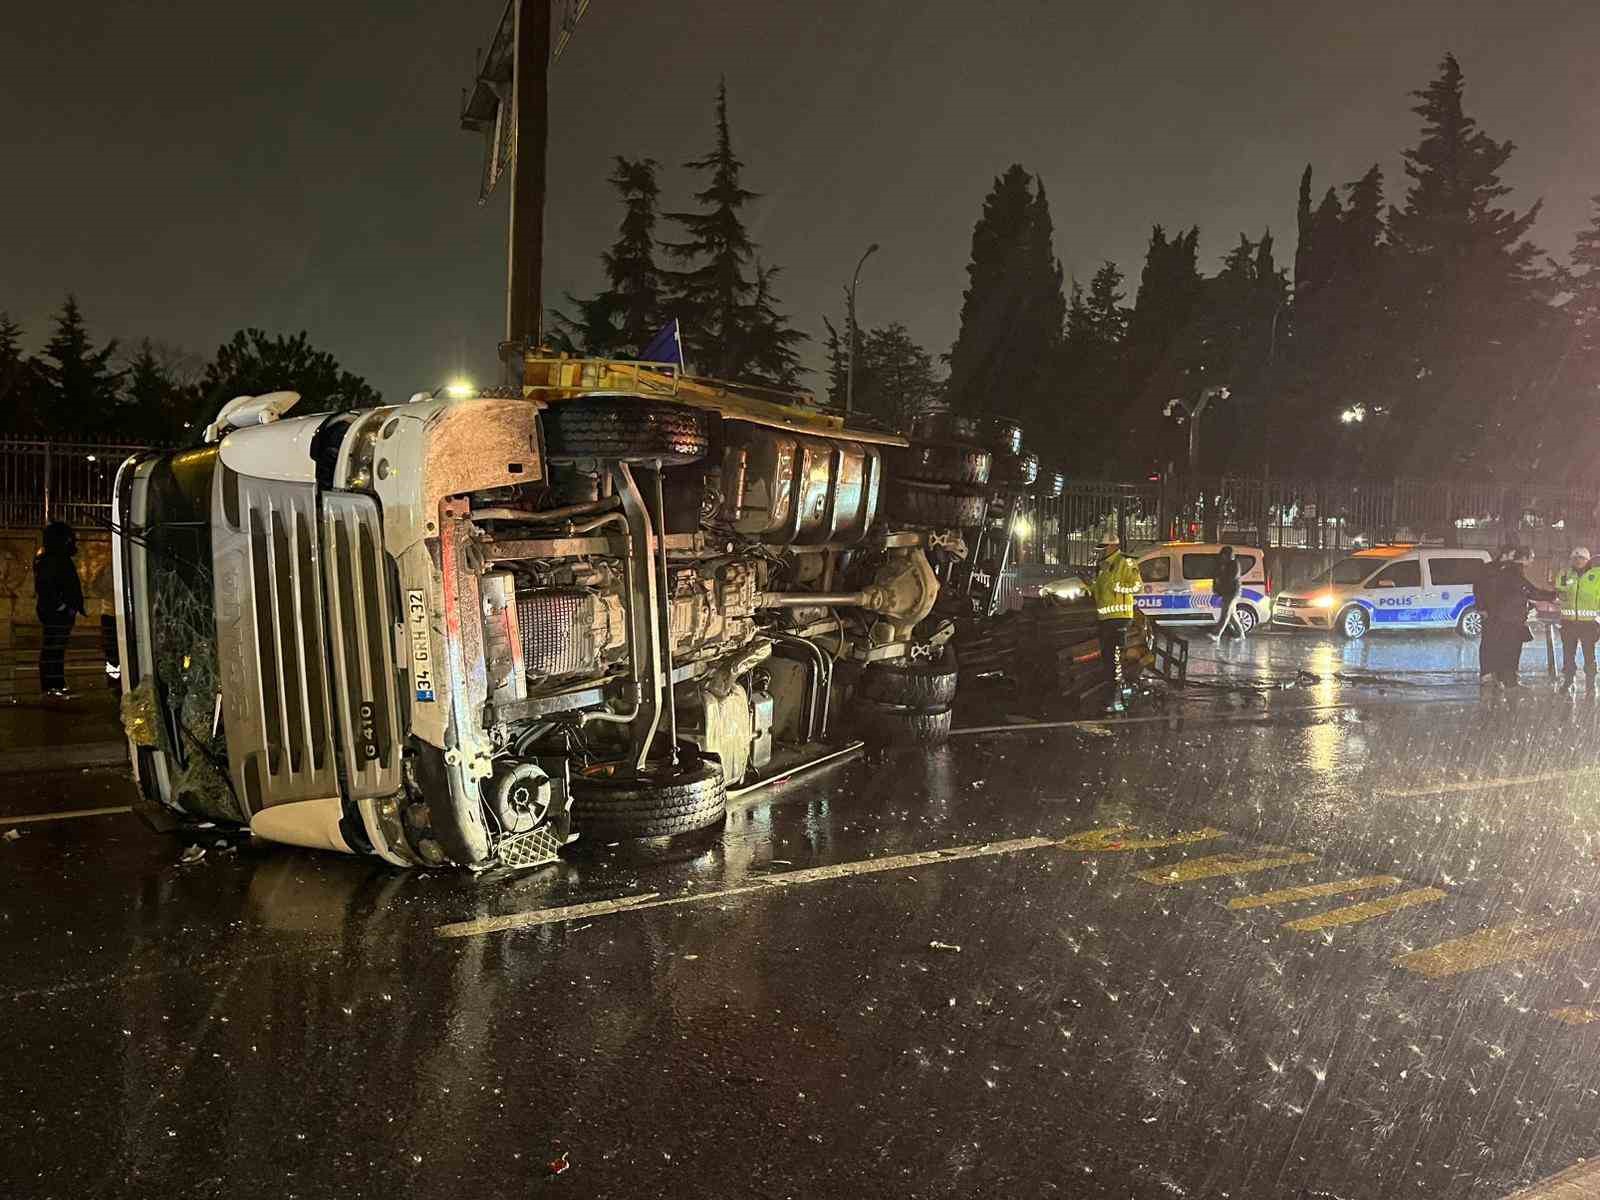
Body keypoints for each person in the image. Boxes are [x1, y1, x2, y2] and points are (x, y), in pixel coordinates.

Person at [1478, 544, 1556, 691]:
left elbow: (1516, 593)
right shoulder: (1513, 572)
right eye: (1531, 558)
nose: (1532, 561)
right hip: (1511, 619)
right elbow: (1529, 591)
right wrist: (1553, 595)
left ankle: (1501, 679)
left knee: (1503, 650)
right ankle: (1510, 683)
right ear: (1524, 558)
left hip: (1502, 617)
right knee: (1511, 651)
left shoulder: (1506, 570)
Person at [33, 521, 85, 698]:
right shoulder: (51, 559)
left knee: (56, 649)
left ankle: (56, 685)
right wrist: (62, 606)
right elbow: (46, 587)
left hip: (59, 611)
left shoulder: (55, 557)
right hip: (56, 612)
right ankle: (52, 686)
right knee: (53, 649)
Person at [1091, 535, 1142, 713]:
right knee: (1108, 659)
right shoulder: (1102, 566)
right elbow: (1098, 591)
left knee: (1117, 658)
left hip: (1120, 618)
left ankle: (1119, 699)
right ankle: (1111, 697)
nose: (1102, 551)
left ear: (1113, 546)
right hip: (1105, 619)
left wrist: (1116, 585)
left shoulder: (1125, 562)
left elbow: (1137, 587)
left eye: (1105, 547)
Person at [1555, 546, 1600, 696]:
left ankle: (1590, 685)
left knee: (1589, 655)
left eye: (1581, 558)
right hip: (1568, 623)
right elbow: (1559, 592)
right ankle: (1568, 681)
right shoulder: (1564, 574)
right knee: (1568, 655)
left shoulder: (1597, 575)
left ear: (1588, 560)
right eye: (1575, 558)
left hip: (1589, 623)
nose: (1578, 561)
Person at [1210, 545, 1244, 642]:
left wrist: (1220, 580)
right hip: (1226, 592)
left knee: (1225, 613)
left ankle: (1217, 634)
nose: (1223, 557)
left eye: (1225, 555)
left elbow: (1231, 578)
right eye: (1222, 555)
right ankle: (1240, 634)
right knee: (1232, 615)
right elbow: (1216, 576)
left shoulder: (1234, 564)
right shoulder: (1222, 564)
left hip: (1233, 592)